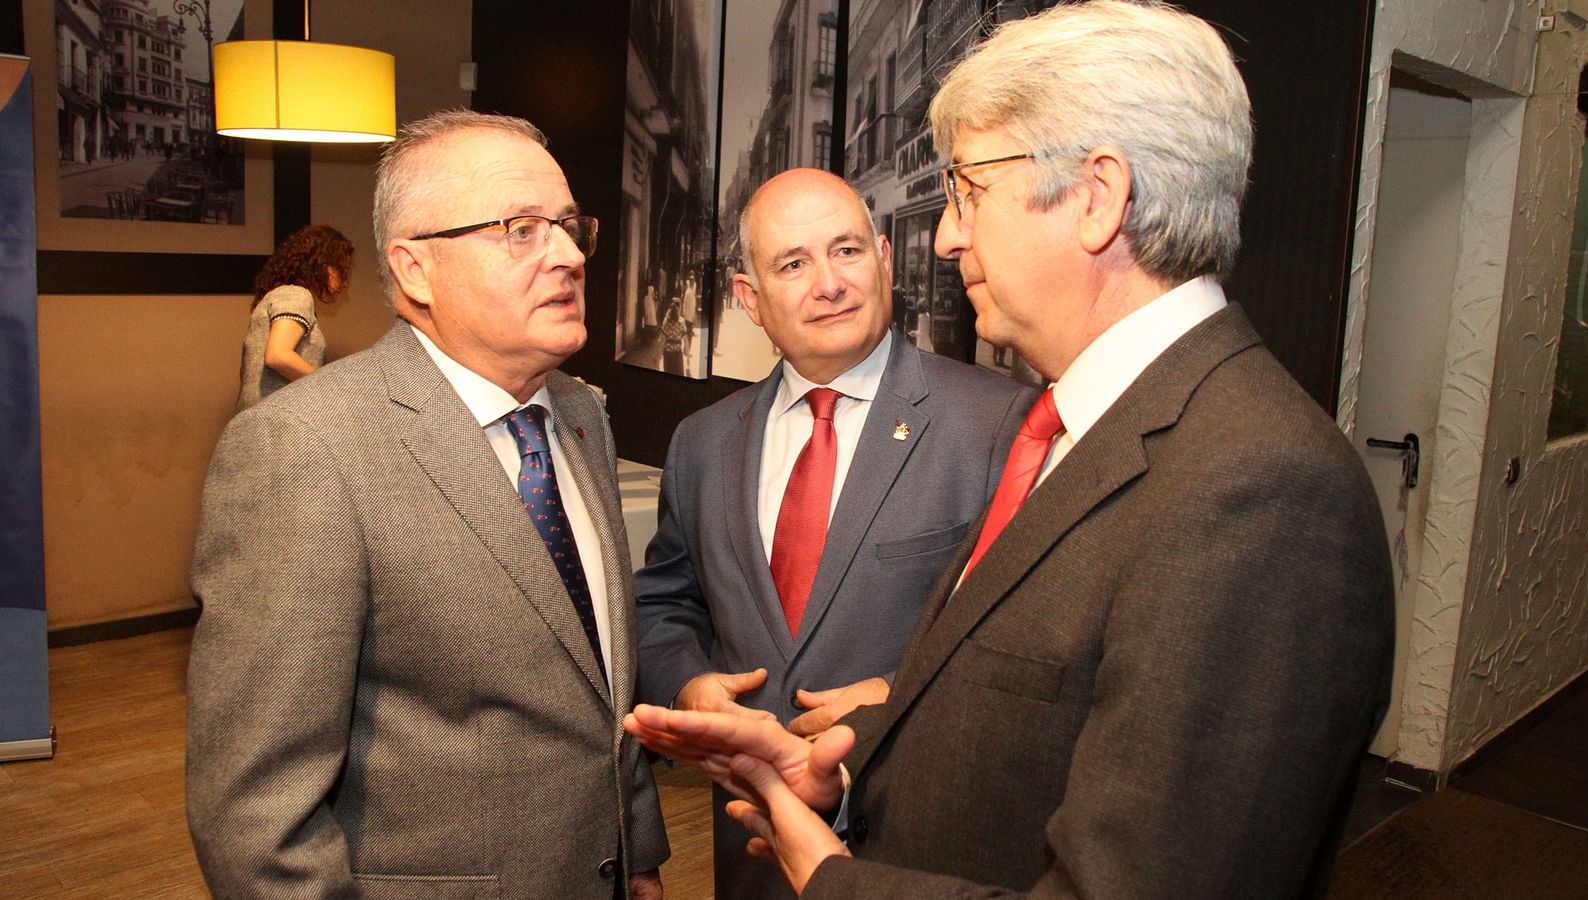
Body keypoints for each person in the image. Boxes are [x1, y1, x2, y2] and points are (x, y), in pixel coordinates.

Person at [626, 3, 1394, 897]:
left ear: (1097, 197)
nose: (948, 236)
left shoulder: (1263, 491)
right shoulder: (1084, 432)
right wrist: (846, 762)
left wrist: (833, 880)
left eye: (970, 191)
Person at [187, 109, 668, 899]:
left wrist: (639, 856)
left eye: (571, 226)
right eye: (520, 229)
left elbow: (599, 686)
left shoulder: (580, 413)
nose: (569, 254)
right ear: (414, 270)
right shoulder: (304, 449)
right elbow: (255, 814)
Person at [634, 167, 1034, 898]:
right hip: (753, 850)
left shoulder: (997, 424)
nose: (829, 283)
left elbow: (1032, 636)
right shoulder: (702, 442)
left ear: (884, 261)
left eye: (847, 251)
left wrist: (894, 691)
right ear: (750, 298)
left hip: (912, 853)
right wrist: (691, 687)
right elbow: (664, 604)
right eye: (793, 263)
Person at [236, 224, 354, 410]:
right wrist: (328, 385)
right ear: (323, 265)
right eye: (342, 269)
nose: (345, 282)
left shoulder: (279, 294)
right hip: (275, 420)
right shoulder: (296, 295)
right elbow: (277, 355)